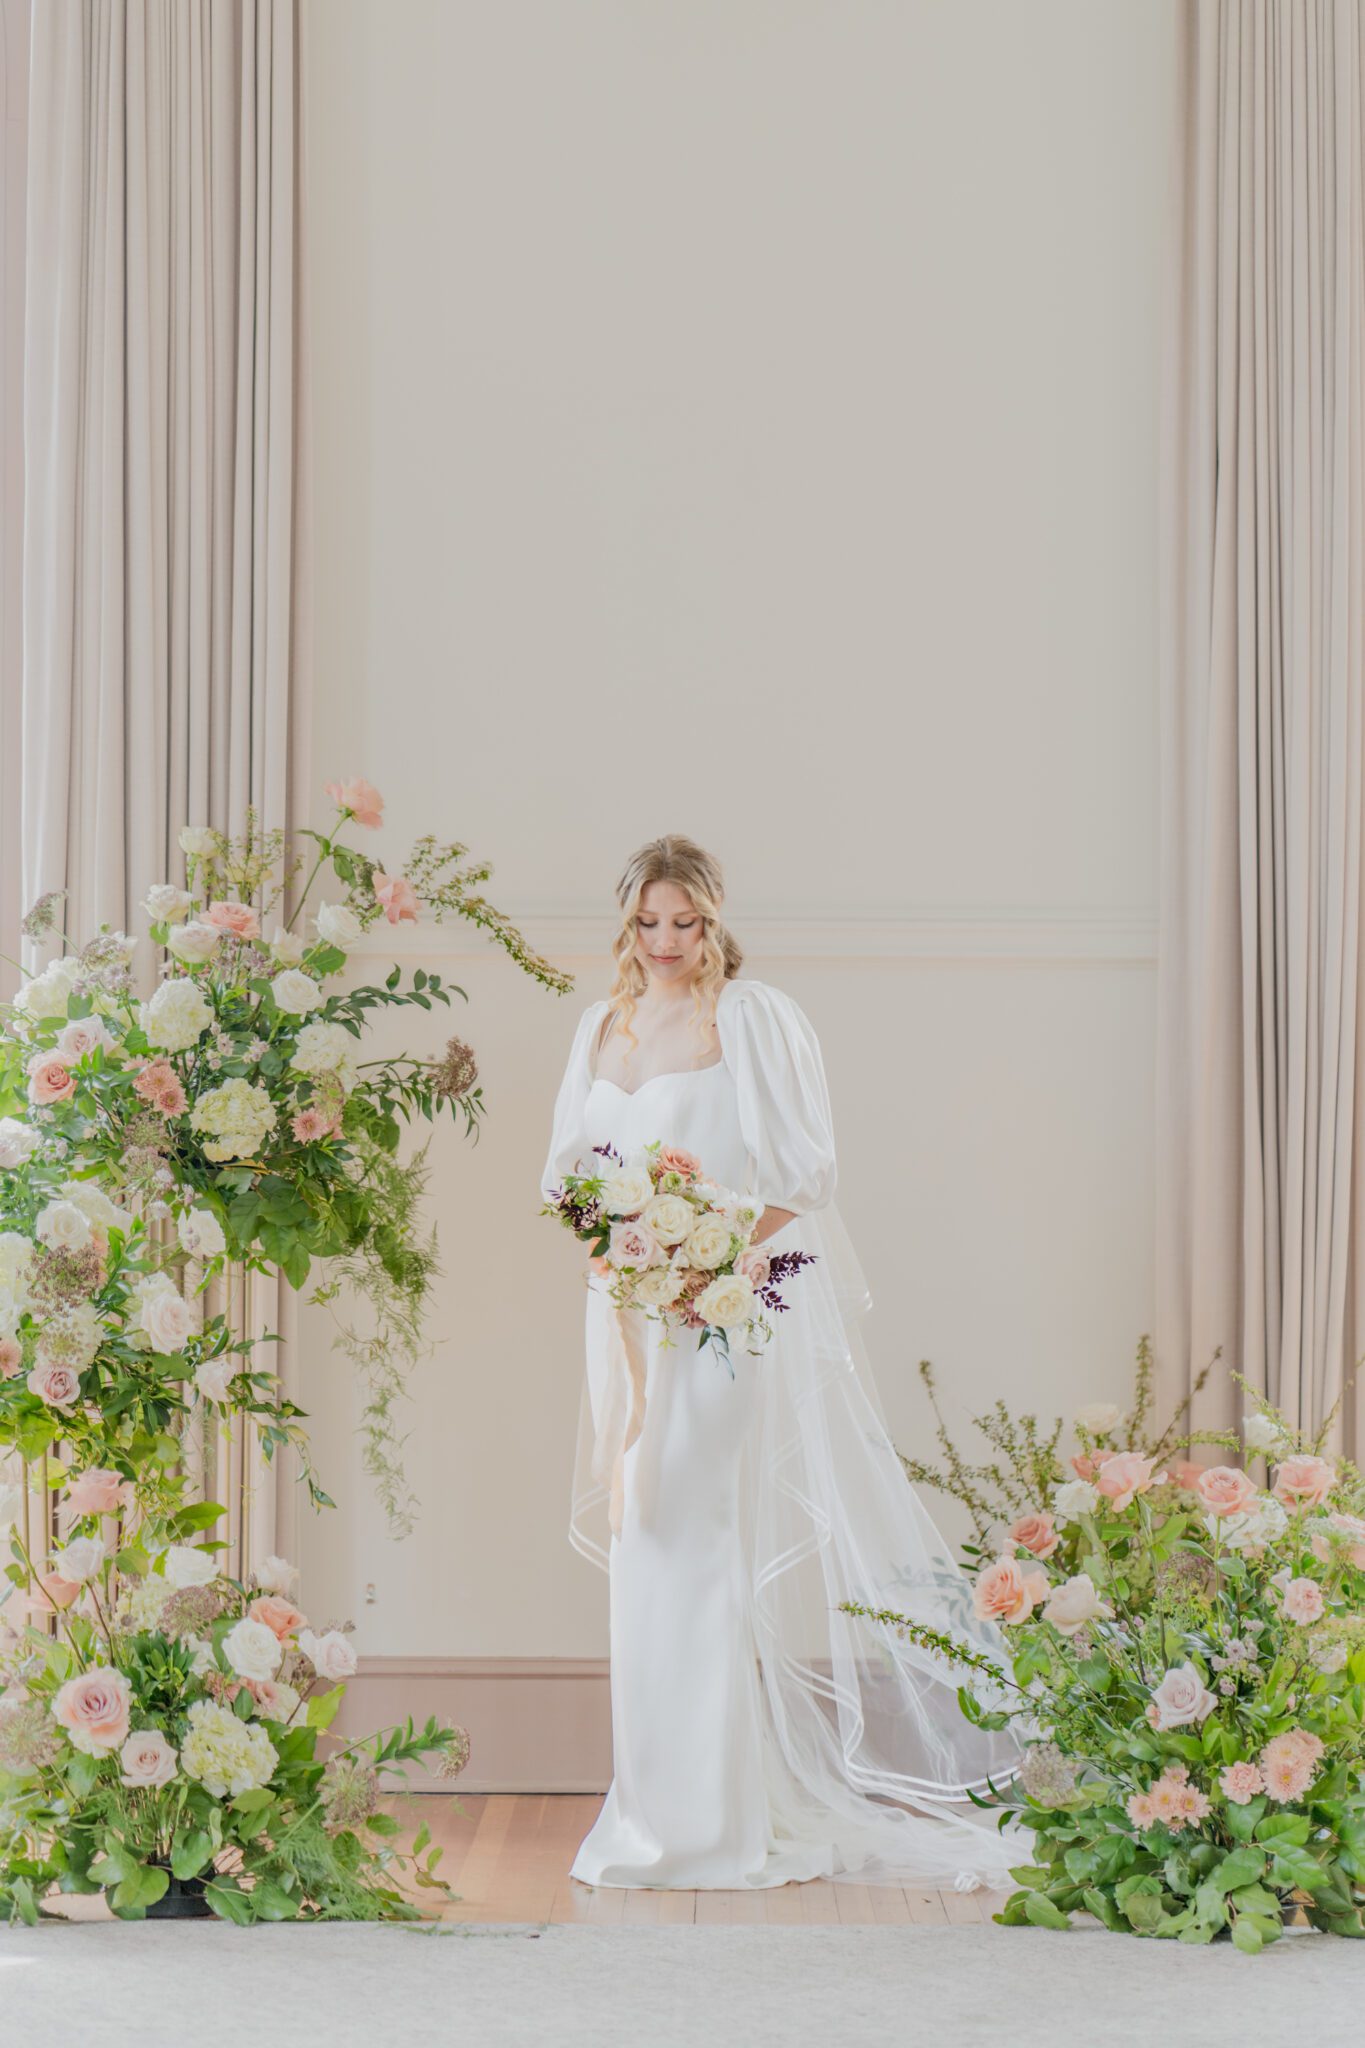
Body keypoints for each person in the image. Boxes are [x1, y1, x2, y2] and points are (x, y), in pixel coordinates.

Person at [540, 834, 1026, 1891]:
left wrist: (700, 1251)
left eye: (688, 921)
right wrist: (621, 1249)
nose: (667, 942)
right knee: (642, 1544)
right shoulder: (599, 1025)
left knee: (693, 1535)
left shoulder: (752, 1018)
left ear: (715, 920)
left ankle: (712, 1826)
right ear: (625, 924)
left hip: (714, 1310)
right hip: (623, 1313)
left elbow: (807, 1173)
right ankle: (651, 1809)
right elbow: (567, 1176)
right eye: (649, 923)